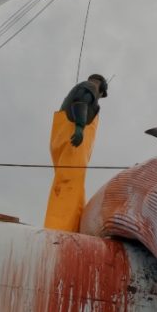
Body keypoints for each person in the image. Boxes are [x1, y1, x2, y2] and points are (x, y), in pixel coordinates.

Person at [44, 73, 108, 231]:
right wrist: (79, 126)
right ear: (101, 87)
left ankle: (73, 227)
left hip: (64, 142)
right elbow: (81, 100)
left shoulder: (75, 91)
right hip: (74, 142)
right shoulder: (90, 86)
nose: (98, 98)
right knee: (69, 185)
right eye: (101, 95)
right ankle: (60, 228)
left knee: (74, 187)